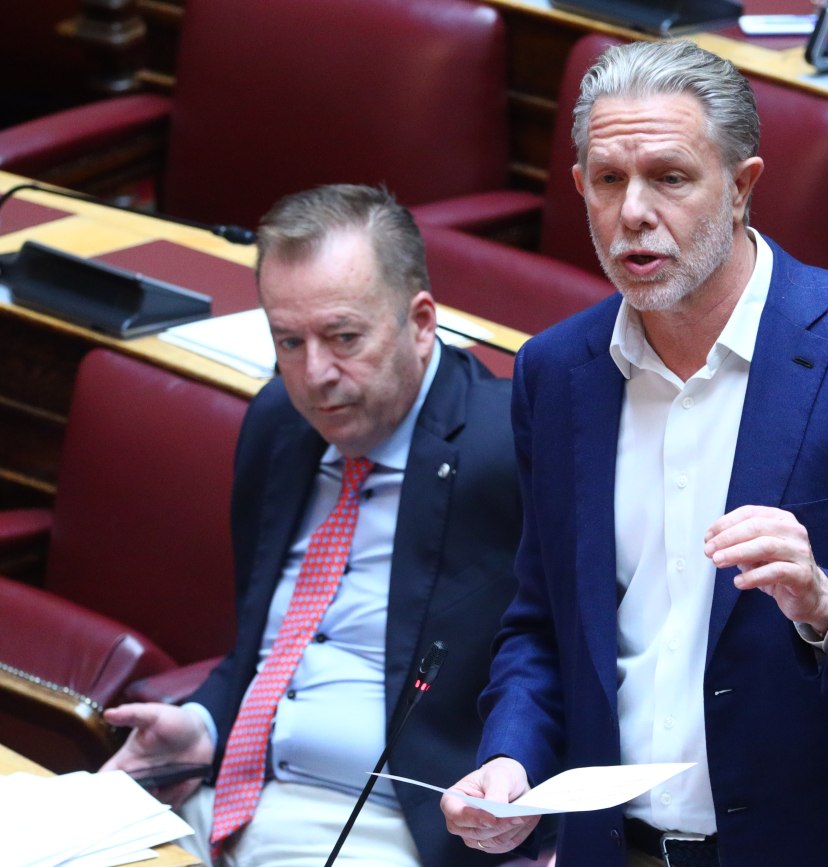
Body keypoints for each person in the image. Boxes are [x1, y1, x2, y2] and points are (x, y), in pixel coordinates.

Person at [440, 40, 828, 866]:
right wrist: (512, 752)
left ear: (742, 186)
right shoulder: (557, 373)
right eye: (608, 180)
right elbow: (542, 622)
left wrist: (826, 602)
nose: (634, 212)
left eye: (670, 178)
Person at [101, 184, 522, 866]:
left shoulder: (506, 448)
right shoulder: (279, 422)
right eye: (289, 341)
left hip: (386, 822)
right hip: (223, 791)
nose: (314, 374)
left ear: (420, 322)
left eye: (344, 337)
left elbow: (569, 666)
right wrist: (203, 722)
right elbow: (269, 644)